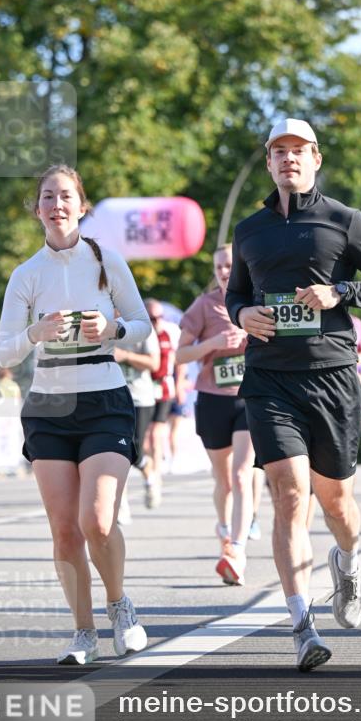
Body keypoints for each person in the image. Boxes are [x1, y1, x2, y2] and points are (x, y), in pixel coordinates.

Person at [225, 117, 361, 671]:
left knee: (338, 506)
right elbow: (236, 294)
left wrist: (340, 292)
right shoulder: (250, 229)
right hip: (269, 378)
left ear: (316, 158)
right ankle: (302, 624)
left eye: (299, 151)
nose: (289, 159)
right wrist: (243, 313)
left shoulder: (343, 220)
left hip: (331, 377)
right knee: (287, 495)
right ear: (269, 163)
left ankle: (347, 565)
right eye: (279, 151)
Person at [0, 165, 152, 664]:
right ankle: (83, 633)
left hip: (104, 397)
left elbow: (142, 324)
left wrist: (112, 329)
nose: (57, 205)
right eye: (47, 197)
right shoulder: (26, 275)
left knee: (97, 520)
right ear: (37, 208)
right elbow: (3, 354)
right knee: (64, 529)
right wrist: (35, 334)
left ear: (82, 206)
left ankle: (119, 604)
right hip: (48, 407)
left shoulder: (108, 261)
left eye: (66, 196)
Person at [176, 243, 254, 585]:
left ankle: (236, 550)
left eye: (231, 265)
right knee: (223, 480)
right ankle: (224, 529)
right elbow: (180, 356)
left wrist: (252, 333)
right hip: (212, 399)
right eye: (220, 266)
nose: (225, 271)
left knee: (241, 476)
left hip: (249, 398)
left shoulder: (257, 301)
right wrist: (213, 343)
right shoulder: (203, 307)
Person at [113, 308, 161, 523]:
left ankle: (150, 477)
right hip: (112, 399)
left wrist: (125, 356)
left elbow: (154, 363)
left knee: (135, 451)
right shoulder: (96, 325)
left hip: (140, 398)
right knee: (115, 453)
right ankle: (120, 506)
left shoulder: (142, 326)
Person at [142, 299, 180, 508]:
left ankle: (156, 475)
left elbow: (178, 359)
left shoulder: (170, 332)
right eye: (150, 318)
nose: (155, 322)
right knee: (144, 441)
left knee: (157, 434)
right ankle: (150, 468)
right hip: (143, 390)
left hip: (164, 388)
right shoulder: (139, 334)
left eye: (158, 317)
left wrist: (181, 383)